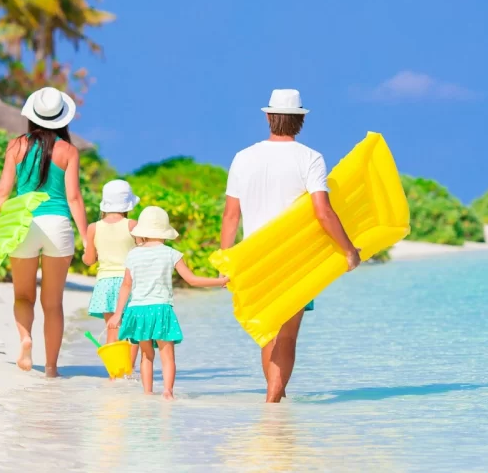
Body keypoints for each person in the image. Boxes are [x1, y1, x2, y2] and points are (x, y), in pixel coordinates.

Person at [220, 88, 361, 403]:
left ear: (269, 117)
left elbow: (231, 216)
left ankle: (274, 401)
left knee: (267, 332)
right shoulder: (310, 158)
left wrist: (226, 261)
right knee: (287, 335)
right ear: (300, 120)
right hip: (295, 260)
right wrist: (349, 250)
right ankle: (274, 399)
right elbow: (322, 211)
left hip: (255, 257)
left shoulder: (243, 157)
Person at [0, 87, 88, 379]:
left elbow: (2, 192)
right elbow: (74, 198)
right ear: (62, 118)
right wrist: (88, 239)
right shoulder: (68, 151)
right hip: (58, 225)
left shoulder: (16, 146)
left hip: (23, 224)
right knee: (53, 304)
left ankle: (26, 338)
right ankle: (51, 369)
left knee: (23, 297)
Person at [107, 206, 228, 400]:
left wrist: (117, 313)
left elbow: (126, 285)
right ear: (165, 231)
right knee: (167, 355)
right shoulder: (171, 253)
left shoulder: (133, 255)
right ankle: (167, 392)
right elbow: (192, 280)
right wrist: (220, 281)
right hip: (161, 309)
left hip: (137, 311)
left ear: (143, 232)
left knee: (146, 356)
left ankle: (147, 393)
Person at [83, 179, 141, 374]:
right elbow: (143, 254)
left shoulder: (93, 228)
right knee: (132, 332)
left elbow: (89, 260)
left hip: (105, 283)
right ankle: (129, 372)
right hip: (129, 282)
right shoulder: (133, 225)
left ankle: (115, 373)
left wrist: (86, 252)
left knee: (112, 328)